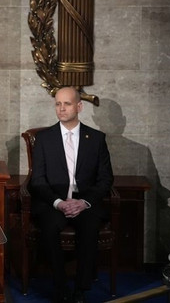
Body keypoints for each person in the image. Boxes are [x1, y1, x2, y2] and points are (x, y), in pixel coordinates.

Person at [29, 86, 114, 303]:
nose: (61, 108)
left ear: (79, 106)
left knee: (89, 227)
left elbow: (106, 179)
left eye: (67, 103)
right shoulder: (44, 139)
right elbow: (37, 180)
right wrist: (58, 203)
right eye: (57, 103)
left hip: (85, 202)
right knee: (48, 228)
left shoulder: (95, 138)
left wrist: (84, 202)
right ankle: (60, 288)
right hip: (52, 202)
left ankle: (80, 290)